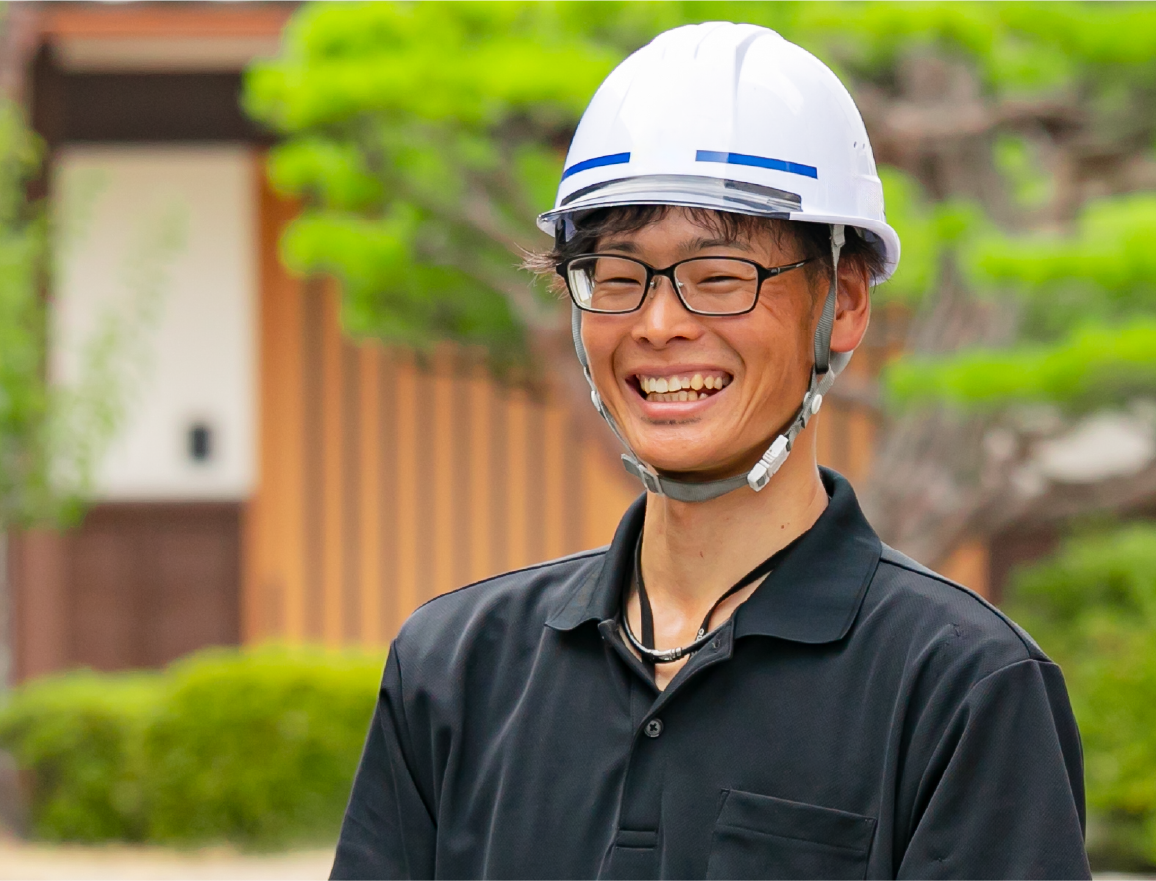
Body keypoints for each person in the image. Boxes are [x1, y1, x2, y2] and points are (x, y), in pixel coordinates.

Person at [329, 22, 1090, 881]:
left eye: (720, 276)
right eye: (617, 277)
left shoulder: (962, 686)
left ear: (840, 303)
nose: (658, 324)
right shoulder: (455, 667)